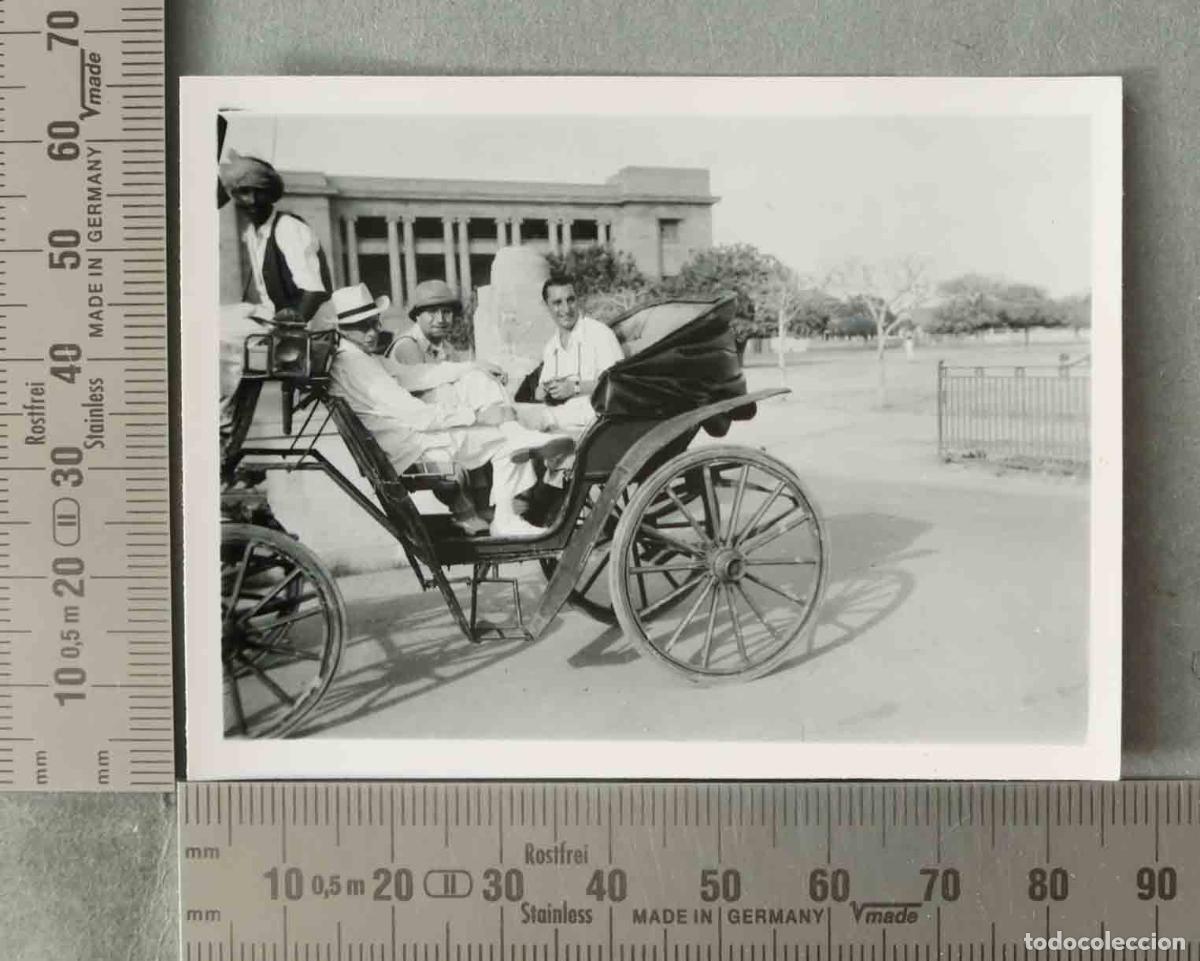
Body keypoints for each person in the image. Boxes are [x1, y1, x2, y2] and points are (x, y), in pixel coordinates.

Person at [327, 284, 572, 539]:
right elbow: (416, 414)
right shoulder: (355, 364)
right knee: (504, 441)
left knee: (478, 383)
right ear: (342, 329)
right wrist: (476, 416)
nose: (371, 332)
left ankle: (517, 439)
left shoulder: (360, 357)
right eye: (361, 326)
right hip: (410, 446)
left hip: (407, 439)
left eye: (373, 323)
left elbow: (415, 374)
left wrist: (472, 367)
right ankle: (506, 517)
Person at [535, 275, 625, 431]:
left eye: (570, 300)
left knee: (537, 420)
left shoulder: (600, 333)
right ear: (546, 306)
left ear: (578, 300)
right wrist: (543, 391)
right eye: (557, 303)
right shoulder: (551, 347)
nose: (566, 309)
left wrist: (575, 388)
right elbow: (541, 390)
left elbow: (617, 385)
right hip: (561, 418)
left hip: (596, 419)